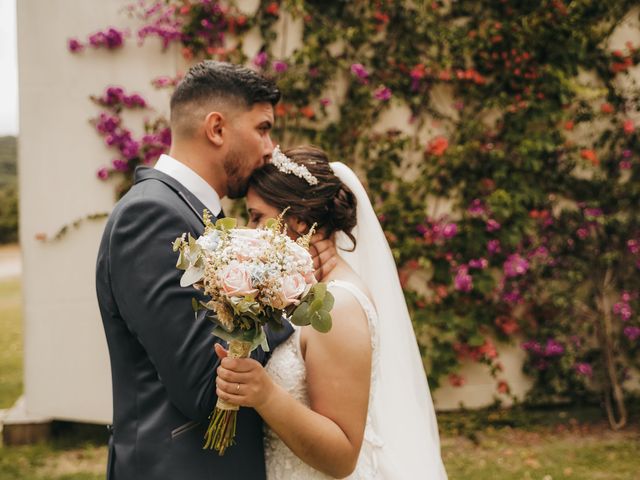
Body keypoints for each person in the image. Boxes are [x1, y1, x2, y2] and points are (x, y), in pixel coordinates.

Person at [95, 62, 336, 480]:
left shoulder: (195, 214)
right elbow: (205, 384)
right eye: (263, 128)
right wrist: (288, 291)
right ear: (217, 129)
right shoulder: (151, 216)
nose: (270, 148)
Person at [215, 145, 448, 479]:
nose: (250, 230)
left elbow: (342, 456)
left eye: (256, 217)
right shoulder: (301, 292)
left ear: (298, 220)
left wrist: (265, 394)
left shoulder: (338, 307)